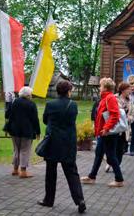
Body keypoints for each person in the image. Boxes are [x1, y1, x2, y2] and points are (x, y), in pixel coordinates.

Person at [37, 80, 86, 214]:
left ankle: (48, 200)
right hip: (68, 143)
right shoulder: (73, 105)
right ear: (68, 91)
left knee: (50, 173)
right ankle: (80, 200)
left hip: (52, 142)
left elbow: (45, 120)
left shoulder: (50, 104)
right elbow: (71, 121)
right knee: (72, 173)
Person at [81, 77, 124, 187]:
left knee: (111, 156)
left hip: (108, 133)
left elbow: (115, 115)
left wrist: (106, 128)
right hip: (103, 133)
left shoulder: (110, 98)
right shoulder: (105, 98)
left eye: (101, 86)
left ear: (105, 87)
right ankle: (92, 177)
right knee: (99, 154)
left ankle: (119, 180)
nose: (99, 88)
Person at [7, 86, 40, 178]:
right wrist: (38, 132)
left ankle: (15, 169)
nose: (32, 96)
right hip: (27, 131)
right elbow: (35, 120)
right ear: (28, 95)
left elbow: (8, 115)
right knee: (24, 150)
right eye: (31, 94)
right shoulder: (31, 104)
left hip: (14, 130)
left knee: (16, 149)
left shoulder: (14, 102)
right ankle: (23, 171)